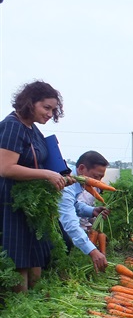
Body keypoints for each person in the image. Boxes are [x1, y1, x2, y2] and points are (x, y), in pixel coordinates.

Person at [0, 81, 67, 292]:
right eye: (46, 107)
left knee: (35, 258)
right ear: (30, 103)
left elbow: (42, 162)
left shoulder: (33, 130)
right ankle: (19, 312)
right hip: (13, 201)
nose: (50, 113)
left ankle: (35, 307)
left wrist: (61, 175)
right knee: (18, 259)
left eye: (53, 110)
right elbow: (6, 168)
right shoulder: (12, 125)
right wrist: (46, 174)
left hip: (33, 205)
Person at [58, 151, 110, 273]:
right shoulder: (67, 183)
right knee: (64, 242)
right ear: (81, 168)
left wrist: (92, 211)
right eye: (96, 177)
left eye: (101, 178)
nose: (98, 182)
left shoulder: (77, 180)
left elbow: (74, 204)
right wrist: (92, 250)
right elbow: (70, 222)